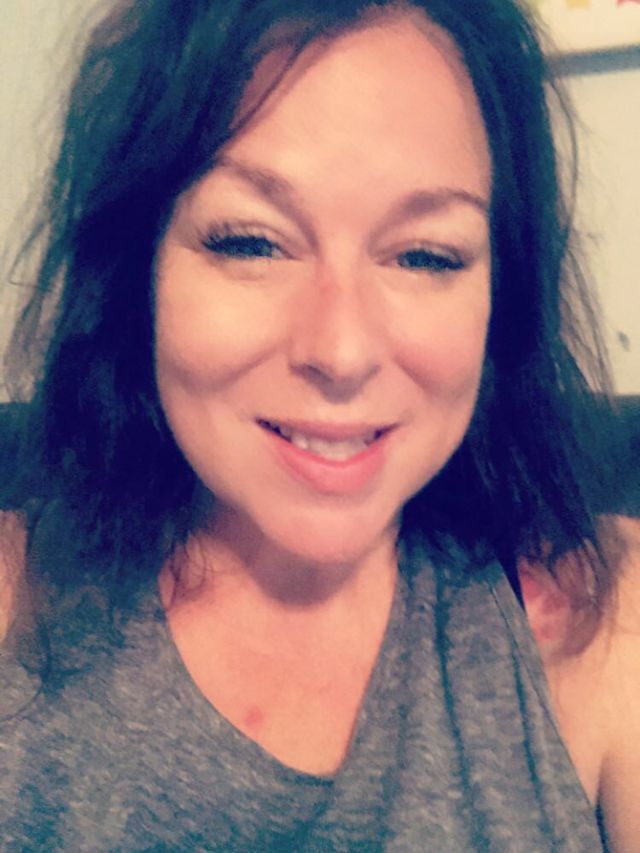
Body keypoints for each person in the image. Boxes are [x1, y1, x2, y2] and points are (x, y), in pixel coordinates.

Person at [0, 0, 638, 849]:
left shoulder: (610, 619)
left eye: (425, 255)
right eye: (251, 242)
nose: (340, 351)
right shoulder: (16, 603)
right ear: (136, 270)